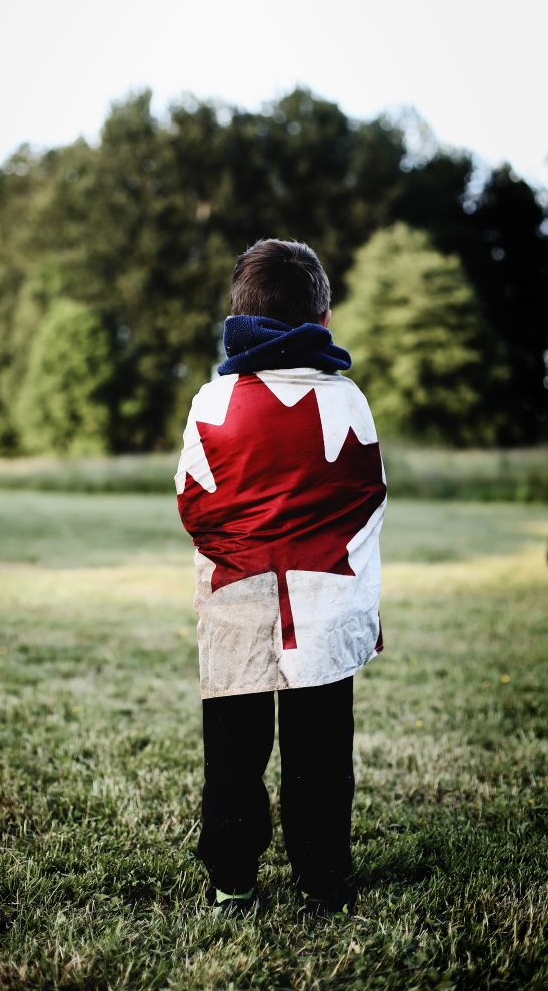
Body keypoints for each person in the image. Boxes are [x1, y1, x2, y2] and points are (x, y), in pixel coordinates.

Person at [174, 238, 387, 917]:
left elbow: (192, 502)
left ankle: (232, 880)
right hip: (324, 604)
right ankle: (322, 880)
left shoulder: (212, 402)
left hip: (235, 601)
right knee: (321, 753)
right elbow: (367, 494)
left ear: (240, 312)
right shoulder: (347, 398)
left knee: (232, 753)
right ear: (322, 318)